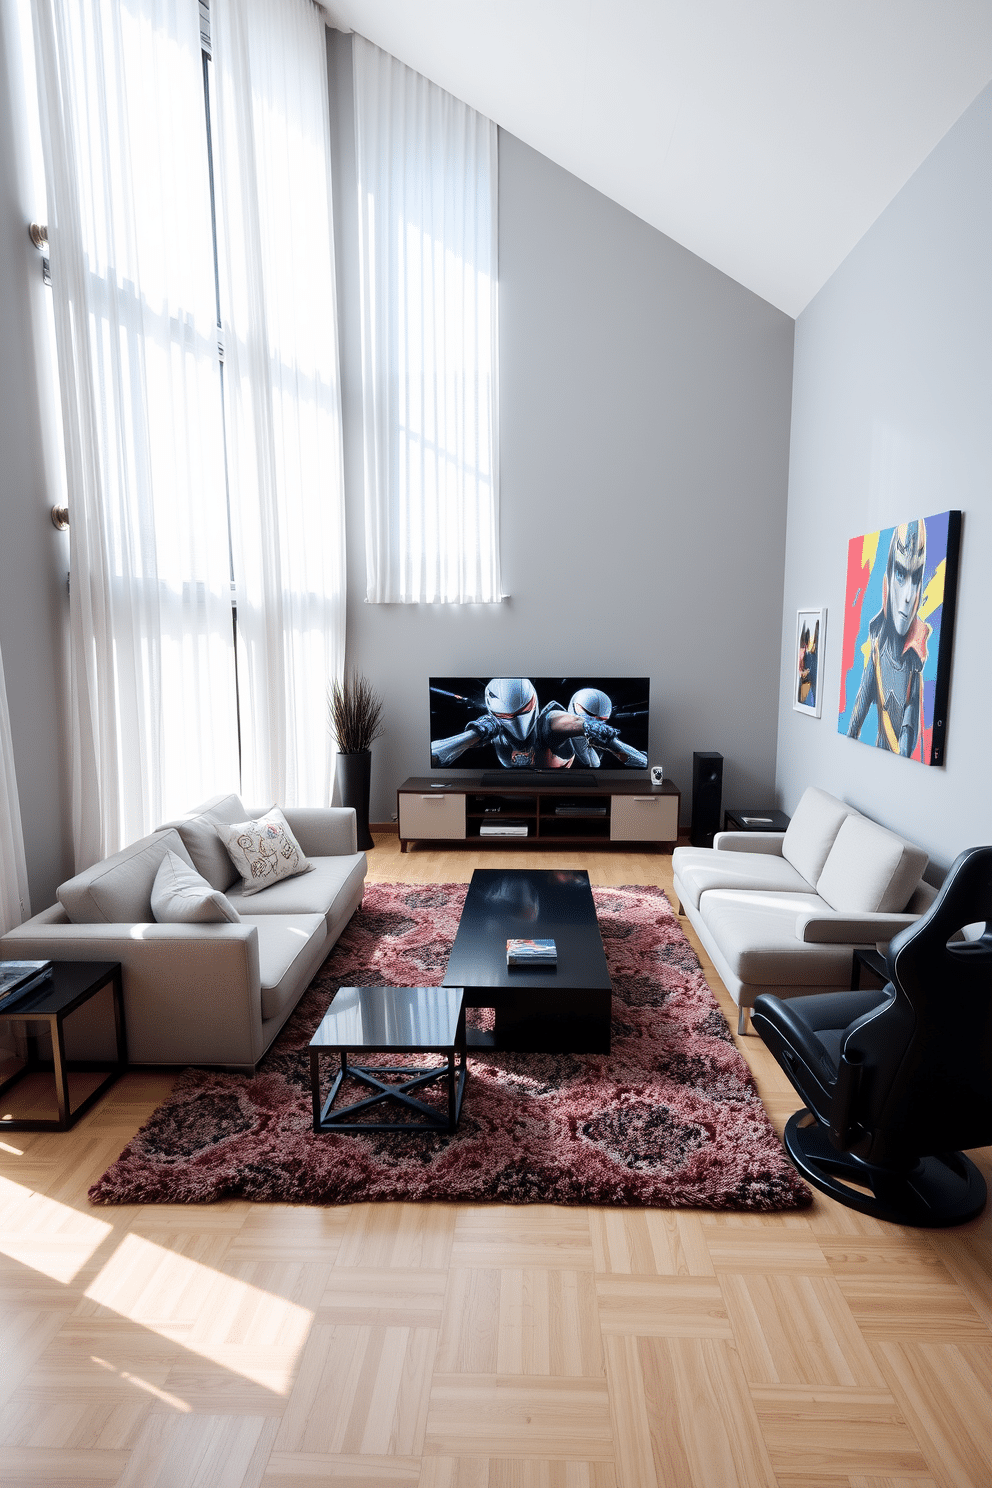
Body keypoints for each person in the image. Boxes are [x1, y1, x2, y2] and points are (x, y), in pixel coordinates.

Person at [847, 520, 929, 756]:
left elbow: (908, 734)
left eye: (916, 578)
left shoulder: (914, 662)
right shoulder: (877, 650)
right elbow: (858, 712)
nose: (907, 596)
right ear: (889, 578)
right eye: (901, 574)